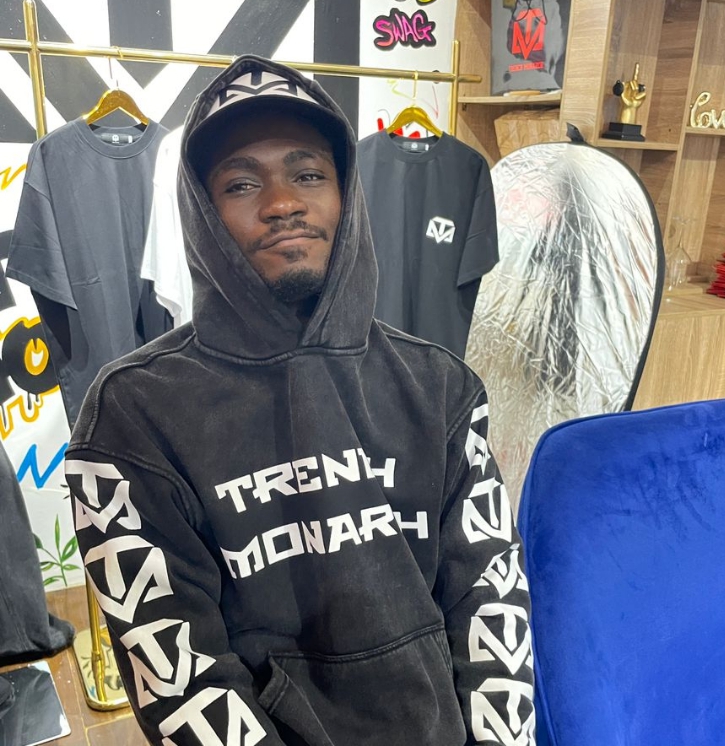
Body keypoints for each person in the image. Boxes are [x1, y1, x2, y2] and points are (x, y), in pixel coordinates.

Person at [65, 56, 535, 746]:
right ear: (201, 213)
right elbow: (181, 679)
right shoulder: (133, 416)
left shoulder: (441, 387)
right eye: (241, 183)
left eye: (308, 174)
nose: (282, 202)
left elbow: (490, 603)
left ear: (346, 194)